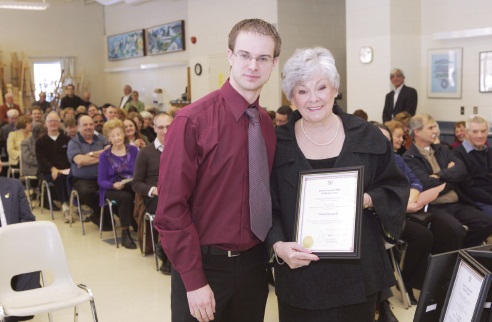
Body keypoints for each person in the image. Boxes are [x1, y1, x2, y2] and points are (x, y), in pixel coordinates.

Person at [266, 47, 408, 322]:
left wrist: (366, 199)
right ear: (291, 97)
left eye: (321, 87)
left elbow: (395, 189)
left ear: (335, 89)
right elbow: (264, 206)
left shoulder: (367, 136)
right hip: (300, 278)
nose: (313, 98)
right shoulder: (276, 143)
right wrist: (279, 246)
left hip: (358, 276)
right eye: (302, 90)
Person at [154, 18, 281, 322]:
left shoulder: (265, 124)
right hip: (203, 267)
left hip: (253, 267)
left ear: (274, 63)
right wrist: (194, 279)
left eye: (263, 58)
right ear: (230, 56)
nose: (253, 65)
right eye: (245, 55)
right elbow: (171, 210)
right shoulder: (192, 121)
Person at [403, 114, 492, 254]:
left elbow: (461, 171)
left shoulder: (442, 149)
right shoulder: (408, 158)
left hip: (456, 203)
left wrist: (439, 175)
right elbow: (426, 184)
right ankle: (453, 260)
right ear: (417, 132)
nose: (435, 131)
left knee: (486, 222)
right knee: (455, 230)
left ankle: (462, 254)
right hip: (433, 206)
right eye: (431, 127)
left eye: (435, 127)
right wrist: (450, 175)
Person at [375, 122, 434, 311]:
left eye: (387, 140)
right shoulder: (362, 162)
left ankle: (408, 281)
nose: (384, 144)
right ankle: (381, 302)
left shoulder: (397, 160)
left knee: (424, 235)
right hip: (374, 218)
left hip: (395, 217)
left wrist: (407, 203)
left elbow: (416, 183)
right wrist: (403, 205)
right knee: (372, 242)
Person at [132, 112, 173, 274]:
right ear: (154, 128)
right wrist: (153, 190)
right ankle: (167, 254)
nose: (165, 131)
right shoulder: (146, 153)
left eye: (168, 127)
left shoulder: (181, 148)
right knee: (171, 212)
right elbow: (136, 183)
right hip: (155, 198)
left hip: (177, 195)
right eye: (161, 127)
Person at [0, 159, 38, 322]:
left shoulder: (14, 186)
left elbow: (28, 218)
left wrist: (17, 240)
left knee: (33, 255)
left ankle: (18, 311)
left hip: (14, 242)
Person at [98, 119, 138, 249]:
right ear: (108, 138)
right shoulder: (105, 155)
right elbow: (101, 180)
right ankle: (125, 234)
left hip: (131, 184)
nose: (116, 138)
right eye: (112, 135)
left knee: (141, 190)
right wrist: (112, 185)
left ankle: (143, 223)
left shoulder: (133, 150)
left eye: (118, 134)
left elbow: (139, 171)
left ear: (124, 134)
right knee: (126, 197)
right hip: (112, 187)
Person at [67, 114, 109, 226]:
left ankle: (104, 215)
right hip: (82, 179)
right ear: (78, 127)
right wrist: (102, 157)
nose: (89, 127)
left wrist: (89, 155)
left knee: (119, 190)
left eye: (91, 124)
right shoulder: (74, 143)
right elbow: (80, 161)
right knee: (87, 192)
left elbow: (110, 152)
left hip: (103, 176)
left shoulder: (101, 138)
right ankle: (100, 214)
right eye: (85, 125)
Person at [35, 112, 71, 222]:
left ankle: (76, 204)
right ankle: (65, 206)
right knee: (59, 178)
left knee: (73, 177)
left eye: (55, 120)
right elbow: (41, 160)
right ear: (46, 124)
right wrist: (53, 169)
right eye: (50, 121)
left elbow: (70, 157)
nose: (53, 123)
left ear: (60, 122)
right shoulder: (40, 141)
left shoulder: (67, 139)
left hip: (66, 169)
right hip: (48, 171)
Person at [453, 115, 492, 216]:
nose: (480, 135)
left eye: (483, 131)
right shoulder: (457, 154)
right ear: (466, 133)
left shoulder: (489, 152)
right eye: (475, 132)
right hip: (474, 201)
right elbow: (468, 189)